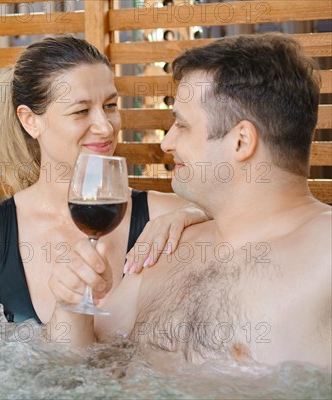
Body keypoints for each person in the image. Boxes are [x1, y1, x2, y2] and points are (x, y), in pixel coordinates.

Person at [0, 36, 209, 325]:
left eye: (110, 105)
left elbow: (253, 223)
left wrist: (193, 215)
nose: (105, 126)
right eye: (80, 111)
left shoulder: (165, 218)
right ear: (30, 121)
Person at [48, 33, 331, 368]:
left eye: (181, 124)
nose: (166, 143)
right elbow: (78, 368)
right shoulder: (165, 247)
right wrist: (71, 304)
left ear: (241, 141)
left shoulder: (324, 254)